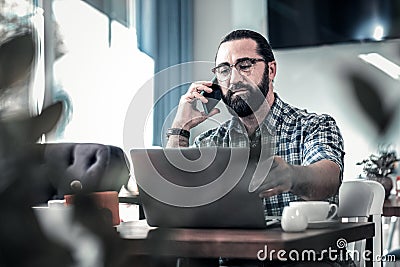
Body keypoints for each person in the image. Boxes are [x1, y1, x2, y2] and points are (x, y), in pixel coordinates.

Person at [166, 29, 345, 217]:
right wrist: (180, 127)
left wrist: (291, 176)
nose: (234, 79)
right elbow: (175, 196)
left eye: (244, 66)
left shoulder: (314, 127)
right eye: (224, 70)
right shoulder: (209, 143)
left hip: (297, 246)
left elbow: (329, 180)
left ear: (271, 70)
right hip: (227, 246)